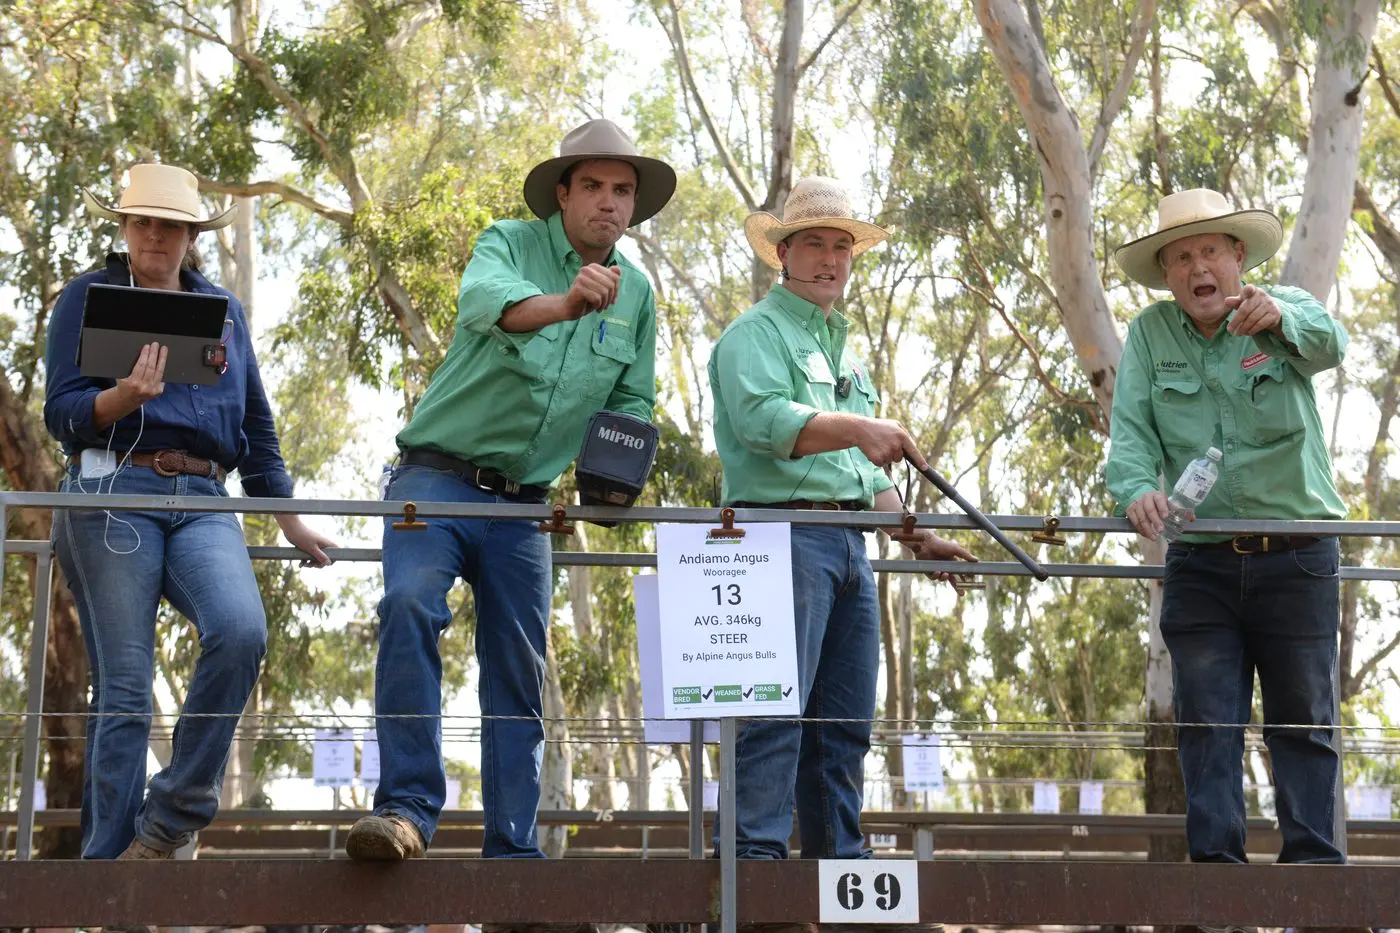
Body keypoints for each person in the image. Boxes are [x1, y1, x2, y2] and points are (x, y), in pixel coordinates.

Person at [345, 119, 675, 863]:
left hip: (528, 506)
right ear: (562, 193)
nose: (608, 203)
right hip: (435, 479)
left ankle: (513, 854)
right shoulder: (506, 243)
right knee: (407, 605)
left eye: (622, 190)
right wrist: (567, 300)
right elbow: (490, 307)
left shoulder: (640, 295)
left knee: (520, 669)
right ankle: (404, 812)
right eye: (592, 185)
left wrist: (618, 471)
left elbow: (632, 401)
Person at [45, 161, 337, 860]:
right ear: (123, 227)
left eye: (171, 225)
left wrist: (288, 518)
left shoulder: (223, 312)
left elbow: (257, 432)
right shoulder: (86, 296)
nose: (156, 236)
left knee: (240, 631)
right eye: (144, 221)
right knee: (126, 688)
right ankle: (105, 875)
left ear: (190, 235)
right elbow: (61, 412)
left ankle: (172, 816)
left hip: (205, 497)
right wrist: (122, 400)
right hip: (113, 491)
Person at [707, 176, 976, 877]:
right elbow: (764, 424)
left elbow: (868, 474)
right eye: (815, 245)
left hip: (852, 546)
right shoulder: (753, 335)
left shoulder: (843, 351)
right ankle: (756, 866)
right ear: (783, 254)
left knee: (845, 723)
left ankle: (840, 870)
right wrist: (860, 425)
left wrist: (916, 533)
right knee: (773, 712)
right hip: (780, 539)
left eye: (842, 247)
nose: (830, 259)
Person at [1106, 188, 1348, 866]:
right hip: (1201, 564)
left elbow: (1333, 344)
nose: (1197, 266)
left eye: (1210, 249)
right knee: (1207, 726)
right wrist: (1136, 492)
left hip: (1297, 557)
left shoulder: (1281, 309)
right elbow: (1129, 436)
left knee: (1305, 723)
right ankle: (1217, 891)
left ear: (1238, 256)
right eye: (1180, 256)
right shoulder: (1150, 334)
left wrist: (1283, 321)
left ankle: (1316, 885)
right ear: (1167, 272)